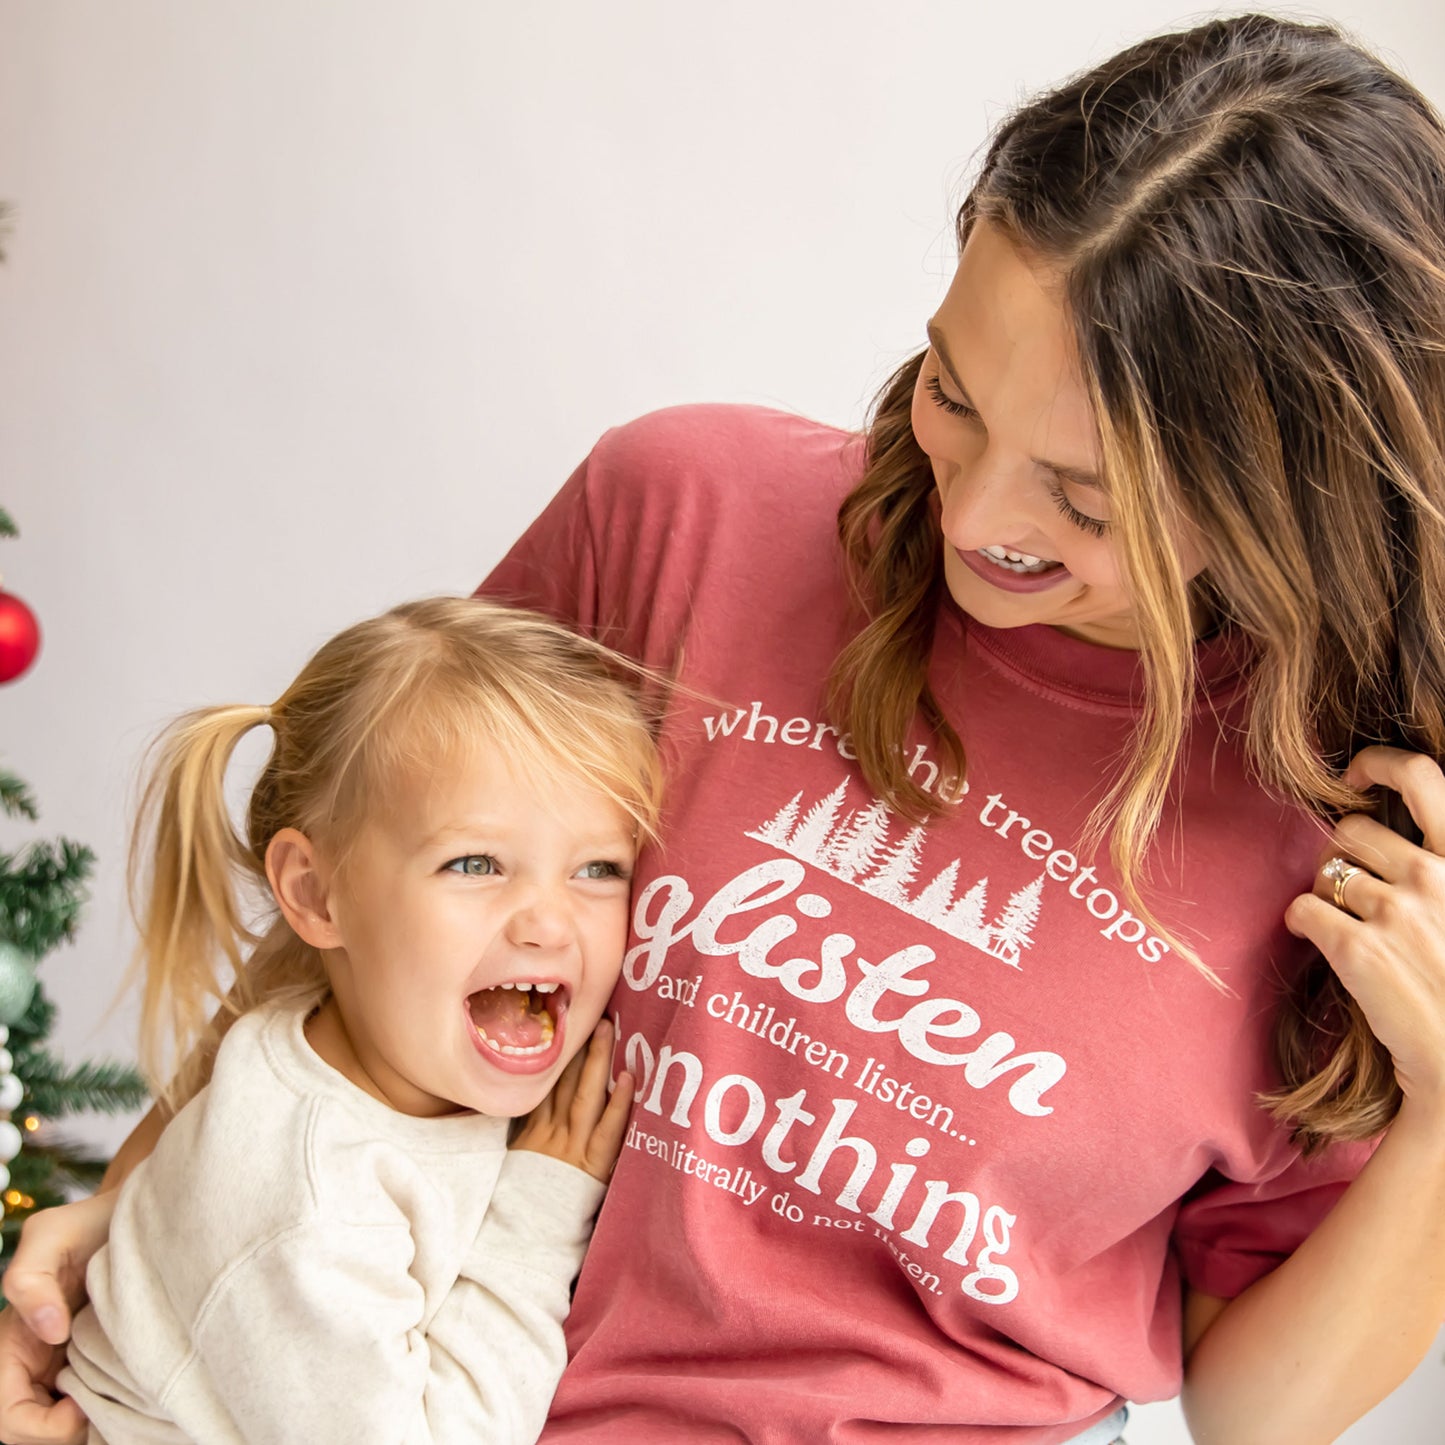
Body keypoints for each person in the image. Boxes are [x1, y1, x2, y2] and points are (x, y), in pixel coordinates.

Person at [2, 11, 1445, 1445]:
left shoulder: (1342, 840)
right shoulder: (681, 518)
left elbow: (1255, 1412)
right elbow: (366, 909)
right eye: (953, 391)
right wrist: (139, 1219)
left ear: (1288, 496)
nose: (976, 515)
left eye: (1084, 497)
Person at [47, 598, 663, 1444]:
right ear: (312, 892)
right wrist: (536, 1217)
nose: (548, 923)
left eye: (598, 867)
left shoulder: (396, 1049)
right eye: (475, 863)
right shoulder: (303, 1201)